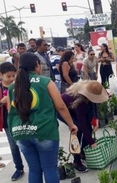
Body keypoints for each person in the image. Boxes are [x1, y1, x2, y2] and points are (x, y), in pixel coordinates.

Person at [7, 52, 78, 183]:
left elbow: (10, 110)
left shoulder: (13, 86)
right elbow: (61, 106)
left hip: (21, 133)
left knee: (34, 169)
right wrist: (71, 124)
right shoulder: (45, 82)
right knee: (50, 168)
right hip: (43, 131)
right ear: (37, 65)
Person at [59, 80, 109, 172]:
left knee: (88, 128)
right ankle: (76, 161)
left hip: (74, 108)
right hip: (63, 109)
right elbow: (82, 125)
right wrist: (92, 142)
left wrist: (95, 119)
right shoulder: (80, 100)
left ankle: (83, 152)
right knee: (77, 129)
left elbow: (94, 104)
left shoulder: (90, 89)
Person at [0, 62, 25, 181]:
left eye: (13, 76)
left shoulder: (18, 86)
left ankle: (35, 166)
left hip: (21, 119)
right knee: (14, 146)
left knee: (26, 145)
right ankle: (19, 168)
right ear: (1, 75)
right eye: (8, 76)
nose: (11, 79)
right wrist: (2, 101)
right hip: (7, 122)